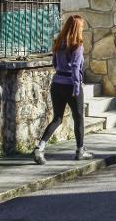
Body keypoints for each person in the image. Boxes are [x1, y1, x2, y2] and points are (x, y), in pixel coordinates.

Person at [33, 15, 93, 164]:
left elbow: (54, 63)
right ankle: (80, 150)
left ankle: (40, 148)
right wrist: (77, 87)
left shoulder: (58, 43)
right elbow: (75, 67)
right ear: (78, 28)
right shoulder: (77, 45)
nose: (82, 29)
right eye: (81, 26)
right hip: (71, 85)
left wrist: (61, 73)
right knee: (78, 117)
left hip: (57, 83)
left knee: (58, 118)